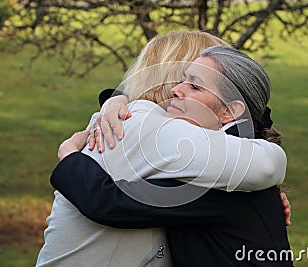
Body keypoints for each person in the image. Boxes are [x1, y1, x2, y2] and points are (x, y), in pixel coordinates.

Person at [50, 44, 293, 266]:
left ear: (229, 111)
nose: (175, 90)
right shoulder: (229, 151)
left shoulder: (221, 171)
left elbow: (110, 204)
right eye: (181, 80)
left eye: (194, 86)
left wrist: (70, 155)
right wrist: (115, 100)